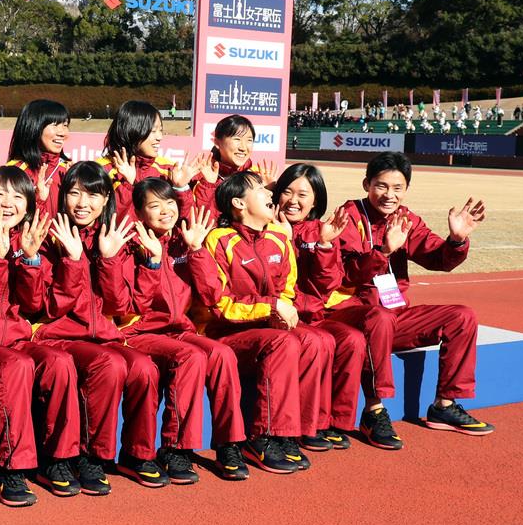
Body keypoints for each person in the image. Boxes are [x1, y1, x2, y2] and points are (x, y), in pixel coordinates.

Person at [331, 153, 494, 442]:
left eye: (397, 188)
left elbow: (438, 259)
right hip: (352, 315)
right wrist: (382, 251)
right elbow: (346, 275)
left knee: (462, 316)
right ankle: (374, 410)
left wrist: (456, 240)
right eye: (381, 186)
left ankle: (444, 405)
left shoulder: (406, 219)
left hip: (393, 316)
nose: (389, 195)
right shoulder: (349, 216)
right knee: (378, 317)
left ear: (406, 189)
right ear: (367, 184)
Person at [29, 161, 167, 494]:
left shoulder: (114, 237)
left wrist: (110, 258)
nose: (82, 203)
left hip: (104, 336)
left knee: (144, 368)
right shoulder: (50, 235)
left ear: (106, 200)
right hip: (59, 335)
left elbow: (121, 306)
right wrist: (73, 261)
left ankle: (137, 453)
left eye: (93, 194)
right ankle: (83, 456)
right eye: (75, 193)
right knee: (109, 364)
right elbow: (47, 307)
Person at [0, 166, 81, 505]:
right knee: (15, 366)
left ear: (28, 204)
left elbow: (35, 304)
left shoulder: (32, 235)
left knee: (60, 362)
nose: (9, 203)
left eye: (18, 196)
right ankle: (10, 468)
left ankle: (57, 460)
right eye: (0, 194)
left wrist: (30, 258)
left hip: (19, 336)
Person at [192, 171, 334, 473]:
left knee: (314, 339)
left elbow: (287, 290)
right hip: (227, 333)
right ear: (238, 203)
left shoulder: (279, 239)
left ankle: (295, 431)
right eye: (259, 189)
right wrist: (271, 307)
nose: (271, 193)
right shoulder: (219, 240)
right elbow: (220, 304)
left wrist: (279, 310)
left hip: (265, 330)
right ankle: (263, 435)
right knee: (282, 341)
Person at [121, 177, 249, 481]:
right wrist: (151, 261)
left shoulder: (184, 239)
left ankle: (228, 443)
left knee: (221, 355)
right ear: (138, 213)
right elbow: (133, 306)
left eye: (169, 203)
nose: (165, 210)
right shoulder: (128, 244)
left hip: (179, 329)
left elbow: (210, 295)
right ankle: (176, 448)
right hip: (139, 332)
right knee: (190, 356)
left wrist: (196, 251)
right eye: (154, 205)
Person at [273, 164, 383, 450]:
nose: (293, 201)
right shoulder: (264, 226)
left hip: (313, 313)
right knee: (320, 342)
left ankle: (335, 420)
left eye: (303, 194)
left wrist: (323, 245)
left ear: (316, 200)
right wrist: (282, 239)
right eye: (287, 191)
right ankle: (309, 424)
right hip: (283, 316)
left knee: (353, 340)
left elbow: (327, 284)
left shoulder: (321, 231)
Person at [96, 100, 201, 220]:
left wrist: (181, 188)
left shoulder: (168, 170)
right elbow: (103, 221)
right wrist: (127, 185)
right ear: (132, 130)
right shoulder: (102, 171)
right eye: (153, 131)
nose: (159, 137)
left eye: (160, 130)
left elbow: (187, 224)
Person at [192, 114, 279, 214]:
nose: (243, 147)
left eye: (249, 140)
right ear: (217, 142)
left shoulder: (258, 177)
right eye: (237, 139)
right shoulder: (201, 177)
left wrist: (268, 191)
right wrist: (209, 186)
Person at [5, 98, 72, 219]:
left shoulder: (69, 170)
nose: (62, 133)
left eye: (65, 125)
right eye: (55, 125)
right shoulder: (14, 171)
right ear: (34, 127)